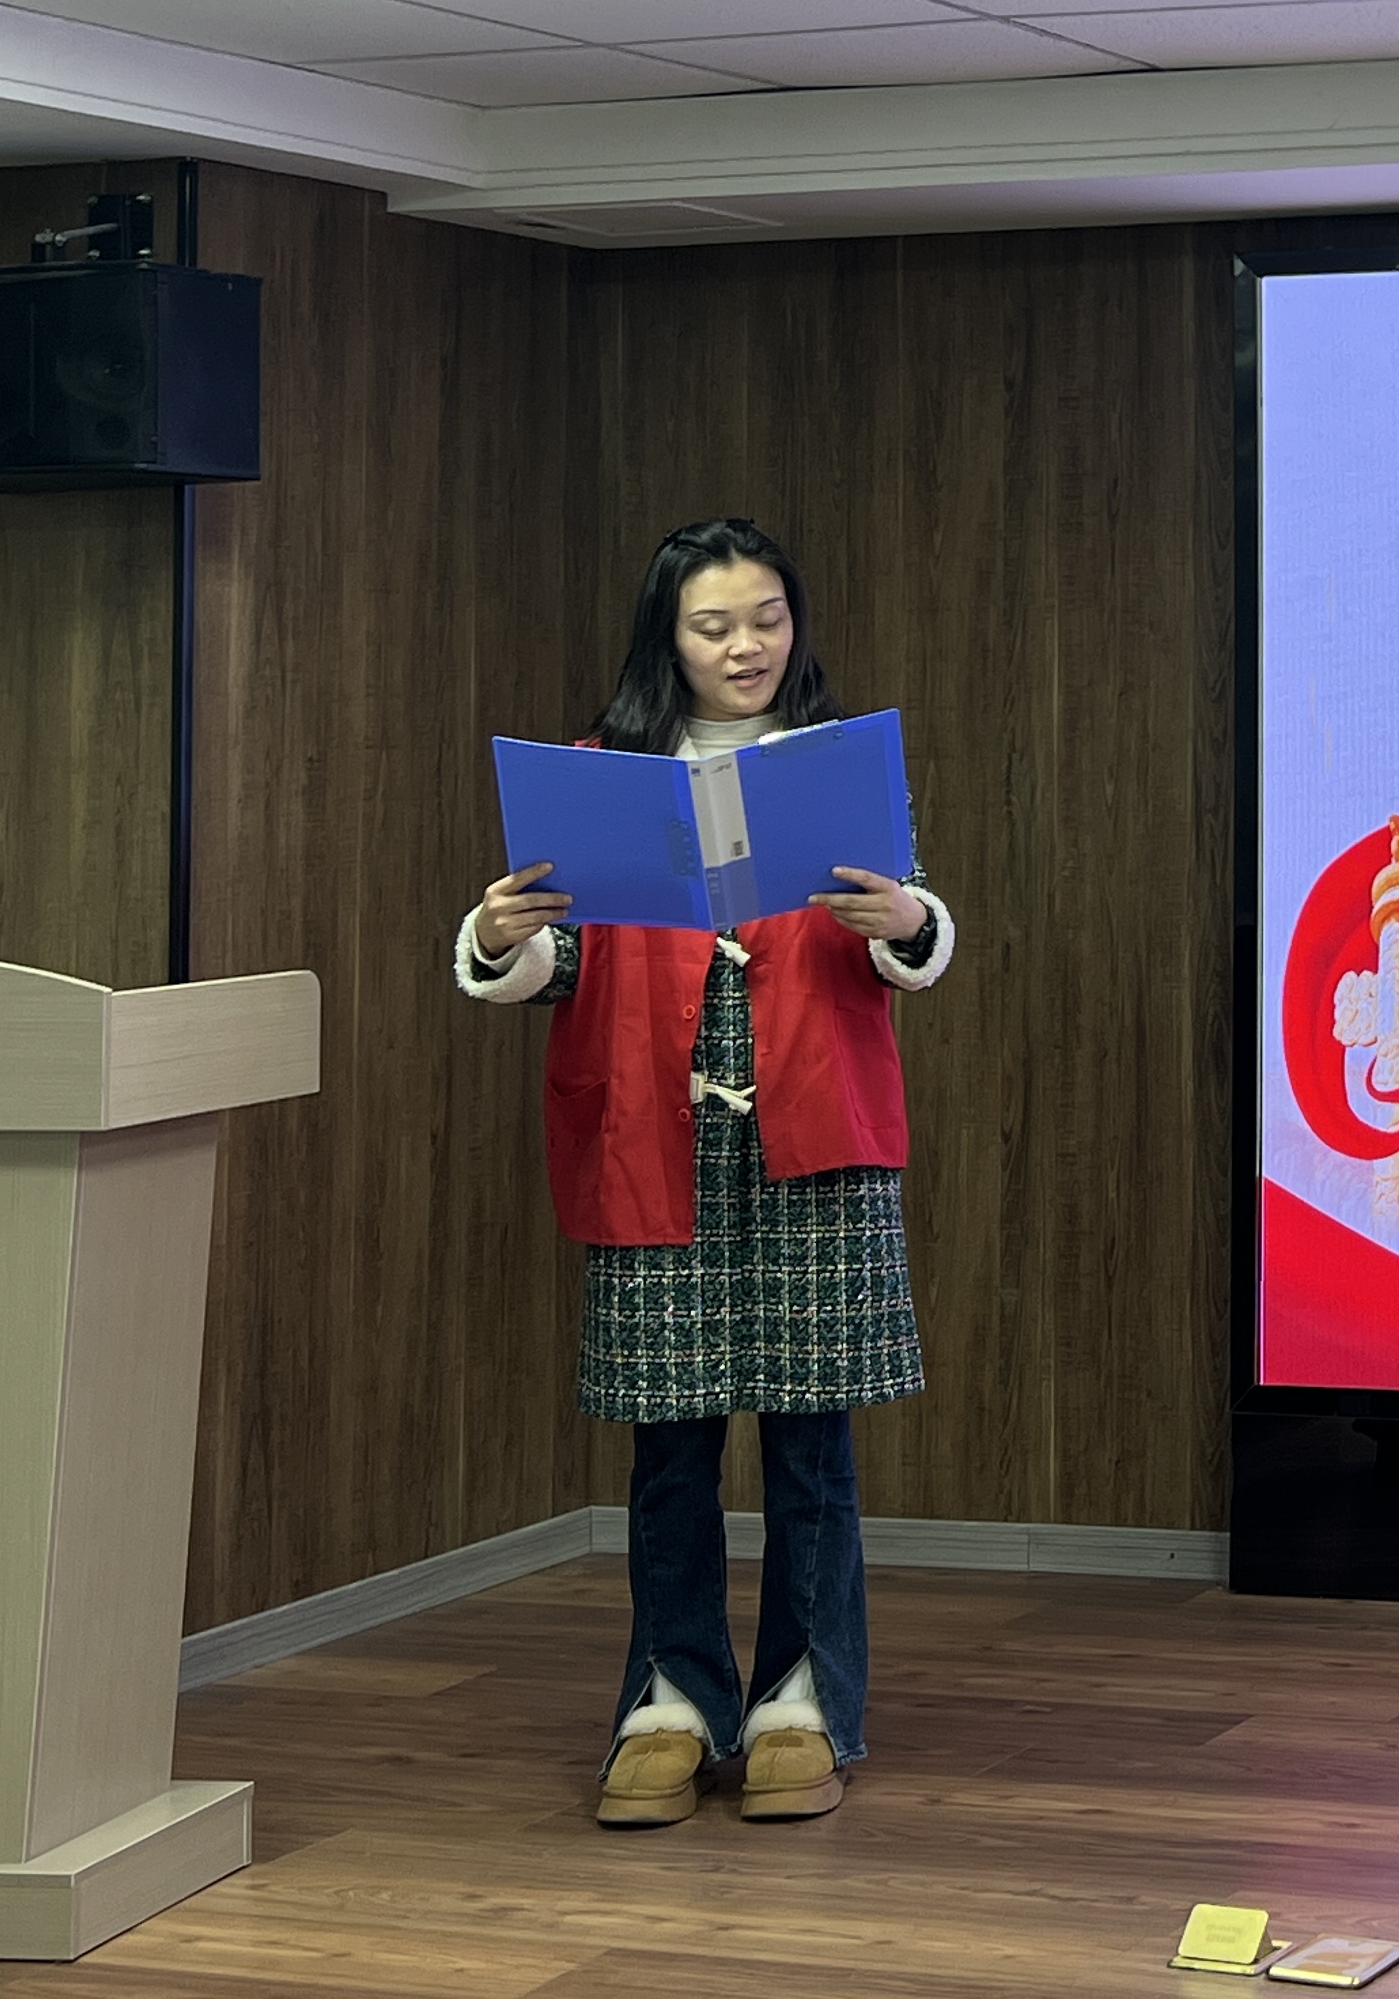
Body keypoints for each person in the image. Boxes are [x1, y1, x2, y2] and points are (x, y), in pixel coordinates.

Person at [455, 518, 955, 1830]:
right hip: (653, 1135)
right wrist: (501, 935)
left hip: (815, 1132)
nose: (746, 646)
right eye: (714, 625)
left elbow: (912, 935)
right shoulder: (600, 777)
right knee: (669, 1442)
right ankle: (670, 1700)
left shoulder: (836, 765)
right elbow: (555, 962)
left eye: (767, 619)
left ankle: (802, 1705)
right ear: (666, 639)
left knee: (810, 1439)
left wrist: (908, 921)